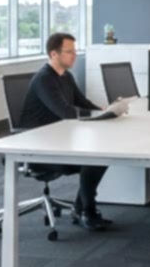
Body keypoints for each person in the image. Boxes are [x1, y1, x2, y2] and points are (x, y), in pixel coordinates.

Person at [22, 32, 113, 231]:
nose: (74, 55)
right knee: (94, 159)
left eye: (74, 51)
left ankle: (82, 209)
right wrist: (94, 116)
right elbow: (65, 112)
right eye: (69, 51)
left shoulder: (66, 76)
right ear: (54, 54)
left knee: (103, 155)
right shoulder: (44, 79)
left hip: (61, 138)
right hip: (40, 147)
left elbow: (82, 103)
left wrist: (104, 111)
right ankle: (86, 212)